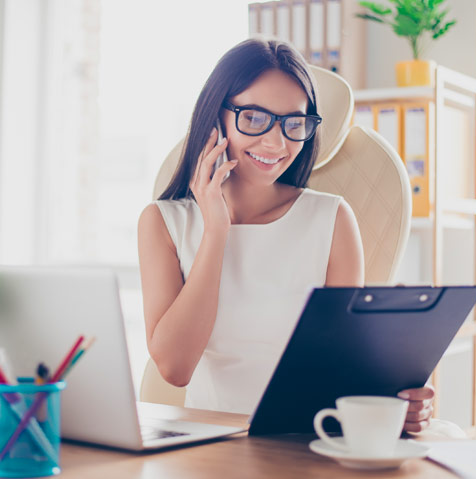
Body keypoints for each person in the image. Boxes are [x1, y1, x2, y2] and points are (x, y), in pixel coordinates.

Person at [137, 39, 434, 433]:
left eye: (294, 124)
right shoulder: (162, 223)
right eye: (255, 118)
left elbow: (347, 364)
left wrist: (400, 397)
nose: (277, 143)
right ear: (215, 117)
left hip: (307, 443)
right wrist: (216, 232)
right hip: (210, 448)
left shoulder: (332, 219)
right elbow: (175, 369)